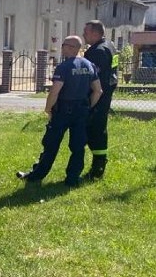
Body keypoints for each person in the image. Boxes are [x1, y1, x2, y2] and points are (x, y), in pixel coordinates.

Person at [17, 36, 102, 186]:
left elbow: (55, 92)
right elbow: (98, 91)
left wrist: (48, 109)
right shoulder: (89, 65)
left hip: (63, 111)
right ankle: (72, 179)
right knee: (78, 147)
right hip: (81, 111)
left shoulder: (64, 67)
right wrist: (88, 107)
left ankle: (36, 176)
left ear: (70, 47)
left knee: (51, 144)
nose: (62, 48)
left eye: (63, 45)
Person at [82, 20, 118, 180]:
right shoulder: (110, 45)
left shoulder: (98, 51)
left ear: (96, 34)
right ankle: (99, 165)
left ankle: (98, 169)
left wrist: (90, 101)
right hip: (106, 95)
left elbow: (94, 79)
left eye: (86, 32)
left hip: (97, 97)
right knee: (98, 129)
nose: (84, 34)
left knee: (95, 130)